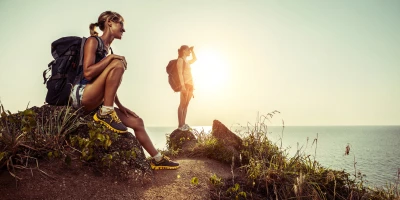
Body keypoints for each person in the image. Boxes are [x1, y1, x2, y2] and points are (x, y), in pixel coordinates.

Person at [70, 11, 179, 170]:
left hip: (97, 102)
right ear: (109, 23)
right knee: (119, 63)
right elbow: (87, 72)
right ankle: (106, 113)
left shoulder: (109, 51)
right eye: (121, 24)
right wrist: (111, 59)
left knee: (137, 122)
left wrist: (120, 106)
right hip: (83, 95)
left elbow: (108, 85)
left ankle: (157, 159)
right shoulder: (93, 42)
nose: (123, 29)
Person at [176, 45, 197, 131]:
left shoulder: (187, 61)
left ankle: (183, 123)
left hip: (191, 85)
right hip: (184, 85)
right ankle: (180, 125)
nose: (189, 52)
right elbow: (180, 74)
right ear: (184, 51)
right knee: (182, 104)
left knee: (186, 105)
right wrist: (182, 87)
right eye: (188, 50)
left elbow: (195, 59)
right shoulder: (180, 60)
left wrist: (193, 51)